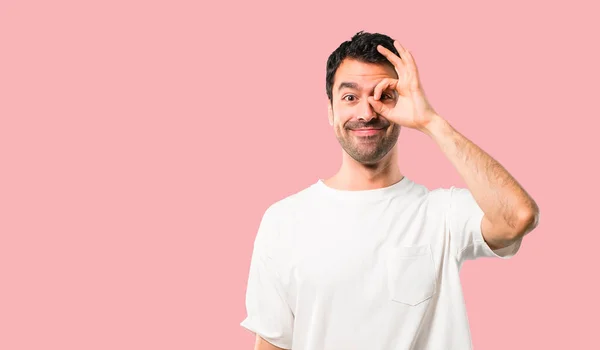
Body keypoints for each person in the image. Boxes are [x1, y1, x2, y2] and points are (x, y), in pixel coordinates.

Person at [240, 31, 540, 350]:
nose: (367, 113)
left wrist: (429, 121)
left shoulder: (443, 214)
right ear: (330, 110)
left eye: (384, 96)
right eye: (350, 97)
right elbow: (273, 343)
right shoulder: (283, 221)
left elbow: (518, 216)